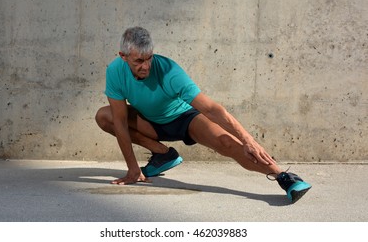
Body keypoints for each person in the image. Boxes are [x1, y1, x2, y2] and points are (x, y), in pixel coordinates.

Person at [95, 26, 311, 203]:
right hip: (150, 122)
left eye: (149, 58)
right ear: (123, 57)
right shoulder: (115, 71)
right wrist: (132, 168)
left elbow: (211, 109)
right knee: (105, 116)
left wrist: (248, 139)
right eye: (138, 62)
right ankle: (163, 154)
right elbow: (121, 122)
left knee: (227, 143)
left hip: (185, 119)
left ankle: (285, 178)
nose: (146, 66)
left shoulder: (169, 71)